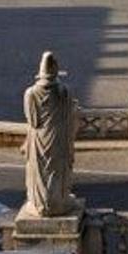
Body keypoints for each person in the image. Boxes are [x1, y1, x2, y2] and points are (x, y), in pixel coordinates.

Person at [22, 51, 79, 216]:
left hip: (39, 138)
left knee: (39, 170)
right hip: (58, 136)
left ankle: (40, 203)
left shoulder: (30, 93)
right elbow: (69, 113)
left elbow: (33, 121)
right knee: (58, 169)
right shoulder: (64, 91)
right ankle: (59, 201)